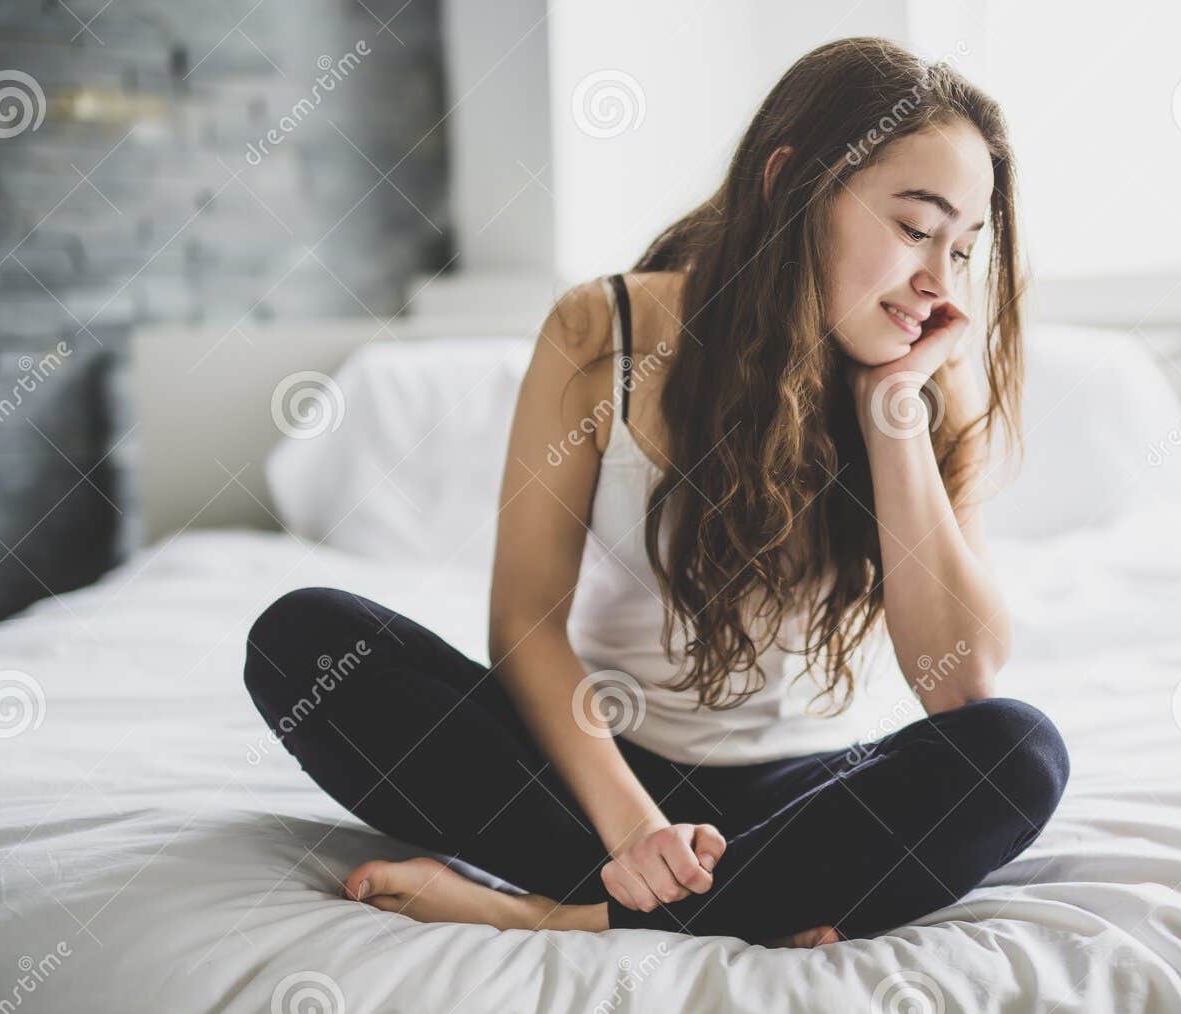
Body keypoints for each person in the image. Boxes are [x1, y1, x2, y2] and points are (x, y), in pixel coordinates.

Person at [243, 36, 1070, 949]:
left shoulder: (924, 389)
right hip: (592, 775)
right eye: (916, 229)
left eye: (964, 248)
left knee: (1020, 753)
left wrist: (890, 413)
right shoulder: (606, 331)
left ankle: (556, 914)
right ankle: (741, 902)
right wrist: (634, 830)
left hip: (797, 796)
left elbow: (963, 686)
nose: (937, 283)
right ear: (789, 182)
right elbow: (524, 621)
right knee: (305, 642)